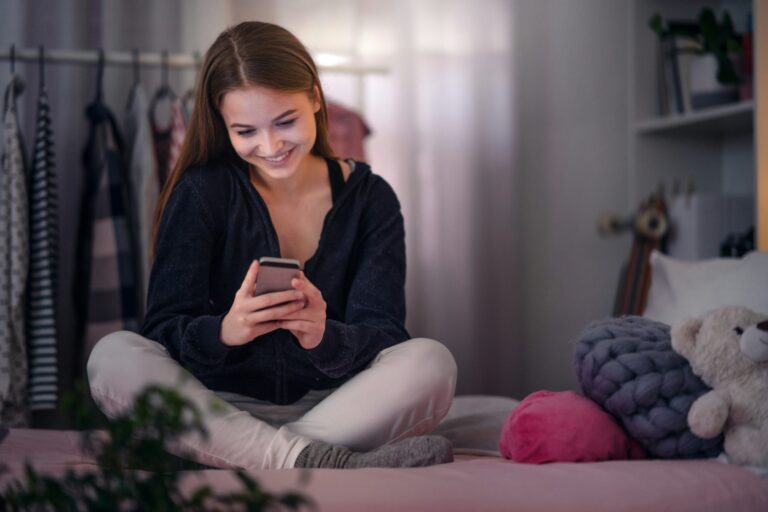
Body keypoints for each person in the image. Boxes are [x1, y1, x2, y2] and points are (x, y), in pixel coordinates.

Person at [87, 21, 457, 470]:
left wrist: (325, 337)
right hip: (216, 404)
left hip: (336, 409)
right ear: (224, 126)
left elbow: (385, 335)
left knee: (432, 363)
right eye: (246, 131)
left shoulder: (370, 198)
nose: (271, 145)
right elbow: (163, 329)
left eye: (286, 122)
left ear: (315, 99)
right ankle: (314, 461)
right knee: (112, 357)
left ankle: (220, 455)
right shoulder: (202, 192)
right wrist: (226, 331)